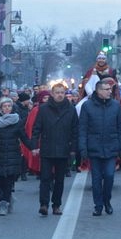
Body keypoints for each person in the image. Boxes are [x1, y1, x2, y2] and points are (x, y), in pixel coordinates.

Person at [79, 79, 121, 216]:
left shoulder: (116, 106)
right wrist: (83, 148)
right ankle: (98, 205)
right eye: (106, 89)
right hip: (94, 148)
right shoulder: (87, 106)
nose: (109, 92)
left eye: (110, 89)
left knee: (110, 176)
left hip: (111, 147)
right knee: (96, 179)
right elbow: (82, 129)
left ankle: (107, 201)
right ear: (98, 91)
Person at [0, 97, 37, 216]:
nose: (7, 108)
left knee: (8, 181)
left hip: (12, 155)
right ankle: (7, 198)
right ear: (0, 108)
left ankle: (4, 203)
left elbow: (24, 138)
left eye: (9, 106)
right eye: (4, 106)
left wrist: (33, 148)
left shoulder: (17, 122)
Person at [32, 83, 79, 216]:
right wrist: (35, 146)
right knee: (45, 178)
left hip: (64, 148)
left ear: (65, 94)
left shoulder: (71, 109)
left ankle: (56, 205)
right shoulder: (44, 109)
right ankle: (44, 204)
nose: (59, 95)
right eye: (57, 92)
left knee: (59, 180)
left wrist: (73, 149)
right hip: (47, 148)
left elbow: (75, 130)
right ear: (52, 94)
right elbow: (37, 129)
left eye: (62, 92)